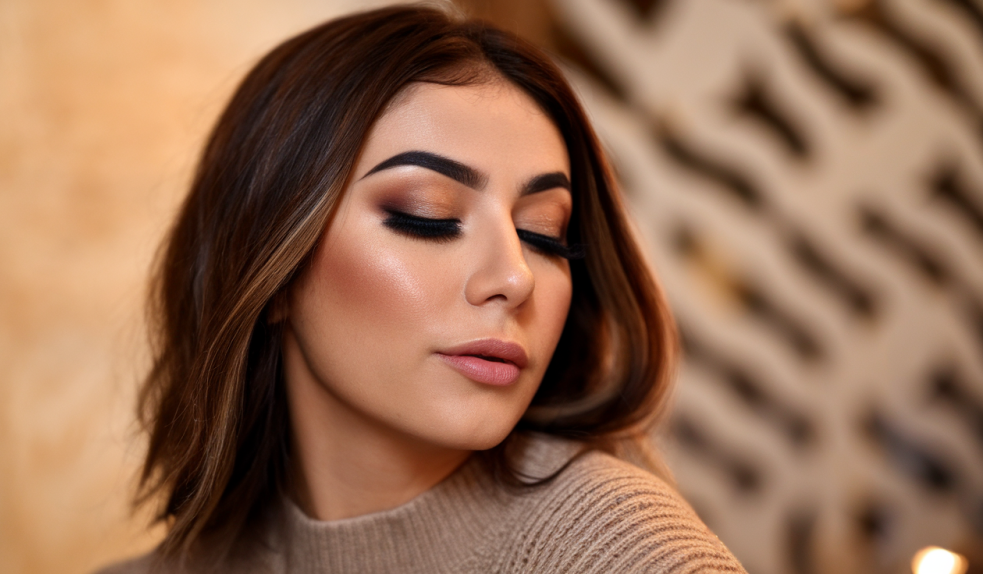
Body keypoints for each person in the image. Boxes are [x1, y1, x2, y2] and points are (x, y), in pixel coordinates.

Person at [100, 4, 746, 573]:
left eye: (546, 234)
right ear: (271, 271)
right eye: (427, 215)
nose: (515, 276)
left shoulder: (618, 549)